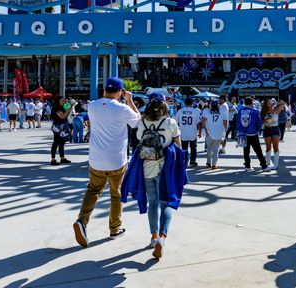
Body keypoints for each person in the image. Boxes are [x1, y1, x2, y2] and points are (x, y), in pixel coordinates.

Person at [73, 77, 141, 248]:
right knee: (116, 194)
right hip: (117, 159)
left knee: (93, 190)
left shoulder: (92, 106)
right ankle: (114, 228)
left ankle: (82, 221)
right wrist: (130, 101)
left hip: (96, 159)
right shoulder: (122, 108)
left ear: (104, 90)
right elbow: (138, 123)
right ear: (120, 92)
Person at [124, 92, 185, 259]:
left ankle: (154, 236)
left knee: (153, 203)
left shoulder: (142, 122)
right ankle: (163, 239)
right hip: (166, 169)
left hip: (147, 167)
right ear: (164, 105)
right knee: (165, 203)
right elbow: (178, 147)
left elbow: (138, 140)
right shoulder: (170, 122)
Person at [237, 97, 271, 172]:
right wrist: (259, 130)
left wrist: (240, 132)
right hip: (253, 133)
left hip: (244, 134)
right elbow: (258, 123)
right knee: (258, 150)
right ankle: (264, 166)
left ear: (245, 103)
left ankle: (247, 166)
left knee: (246, 150)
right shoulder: (255, 111)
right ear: (252, 103)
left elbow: (238, 122)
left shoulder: (240, 111)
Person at [261, 98, 287, 170]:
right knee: (268, 147)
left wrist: (277, 102)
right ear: (266, 104)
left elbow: (284, 103)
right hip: (267, 129)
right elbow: (262, 123)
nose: (271, 103)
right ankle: (268, 164)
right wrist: (266, 119)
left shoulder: (276, 110)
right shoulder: (264, 111)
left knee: (276, 147)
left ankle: (276, 165)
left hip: (275, 128)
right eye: (269, 102)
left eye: (272, 102)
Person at [201, 100, 227, 169]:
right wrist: (225, 130)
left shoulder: (207, 112)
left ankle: (208, 162)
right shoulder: (222, 112)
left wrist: (205, 129)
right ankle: (214, 164)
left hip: (209, 133)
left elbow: (202, 121)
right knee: (216, 149)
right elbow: (225, 123)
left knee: (209, 148)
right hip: (219, 133)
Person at [175, 97, 201, 166]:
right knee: (193, 147)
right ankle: (192, 161)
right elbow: (199, 122)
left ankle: (184, 162)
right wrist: (200, 132)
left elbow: (175, 122)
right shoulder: (196, 111)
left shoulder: (180, 111)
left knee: (184, 148)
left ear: (184, 103)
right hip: (192, 132)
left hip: (183, 133)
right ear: (192, 103)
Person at [50, 96, 73, 166]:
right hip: (57, 127)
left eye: (64, 100)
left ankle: (62, 158)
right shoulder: (56, 108)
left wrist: (70, 108)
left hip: (62, 127)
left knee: (62, 142)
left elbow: (65, 116)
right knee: (56, 142)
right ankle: (53, 159)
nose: (64, 101)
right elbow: (62, 116)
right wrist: (68, 110)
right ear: (58, 101)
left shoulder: (61, 107)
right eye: (62, 100)